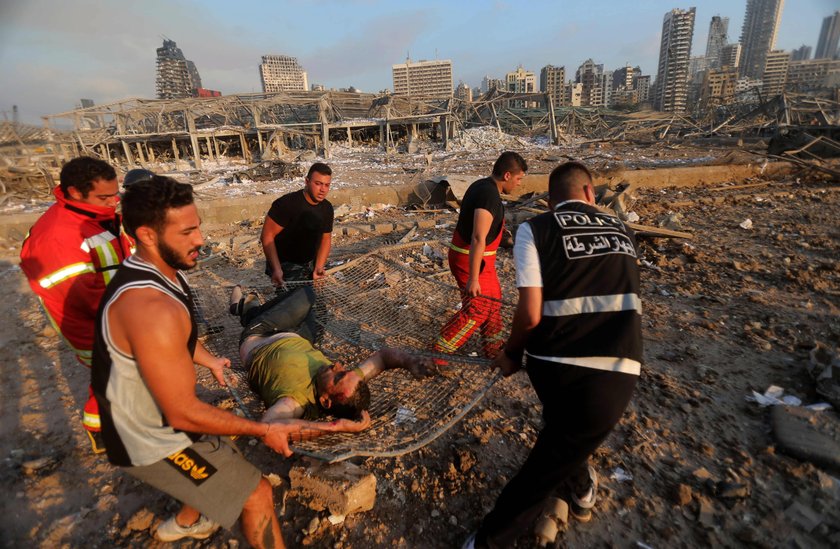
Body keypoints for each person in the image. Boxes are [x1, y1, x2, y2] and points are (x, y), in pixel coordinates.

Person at [91, 176, 363, 546]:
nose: (200, 240)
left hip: (161, 415)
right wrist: (265, 430)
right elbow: (182, 414)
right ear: (148, 235)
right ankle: (194, 516)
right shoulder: (150, 307)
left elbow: (175, 341)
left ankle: (189, 520)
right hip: (149, 438)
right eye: (187, 232)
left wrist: (209, 360)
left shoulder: (160, 275)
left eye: (198, 227)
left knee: (223, 457)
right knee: (257, 495)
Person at [464, 162, 643, 548]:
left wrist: (511, 354)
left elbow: (530, 312)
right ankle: (581, 491)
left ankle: (488, 540)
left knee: (542, 469)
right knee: (566, 436)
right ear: (591, 194)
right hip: (618, 369)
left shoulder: (536, 229)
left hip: (555, 369)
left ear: (549, 201)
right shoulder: (622, 230)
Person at [19, 156, 133, 453]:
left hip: (114, 308)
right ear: (74, 192)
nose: (114, 201)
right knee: (112, 372)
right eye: (105, 197)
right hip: (89, 320)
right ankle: (101, 430)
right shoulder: (60, 237)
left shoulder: (95, 216)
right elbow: (84, 297)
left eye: (116, 193)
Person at [230, 285, 435, 424]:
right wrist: (410, 362)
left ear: (326, 401)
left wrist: (338, 428)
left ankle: (248, 313)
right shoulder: (349, 384)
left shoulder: (295, 401)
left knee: (307, 294)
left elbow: (270, 425)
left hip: (260, 336)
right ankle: (252, 310)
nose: (337, 365)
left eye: (338, 376)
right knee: (318, 306)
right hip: (299, 338)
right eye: (344, 371)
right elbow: (382, 358)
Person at [435, 151, 527, 357]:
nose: (519, 184)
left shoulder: (483, 185)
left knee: (493, 299)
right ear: (507, 176)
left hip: (480, 258)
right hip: (470, 259)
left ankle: (493, 348)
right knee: (478, 308)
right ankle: (440, 352)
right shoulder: (489, 196)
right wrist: (473, 279)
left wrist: (505, 238)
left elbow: (485, 227)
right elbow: (478, 237)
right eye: (519, 179)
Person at [260, 163, 334, 286]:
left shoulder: (327, 208)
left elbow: (326, 238)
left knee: (316, 302)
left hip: (310, 263)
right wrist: (277, 269)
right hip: (286, 265)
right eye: (318, 184)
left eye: (327, 185)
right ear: (307, 181)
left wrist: (319, 267)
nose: (323, 190)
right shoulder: (287, 204)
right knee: (294, 303)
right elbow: (267, 236)